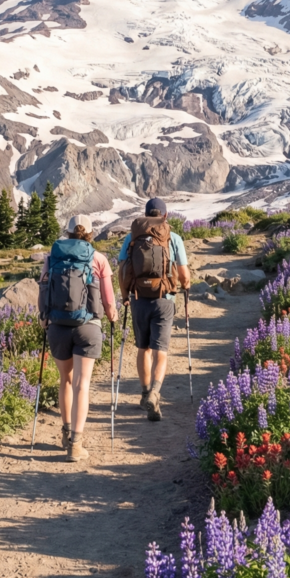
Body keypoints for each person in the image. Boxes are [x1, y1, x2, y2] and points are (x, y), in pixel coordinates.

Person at [38, 214, 117, 463]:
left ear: (68, 233)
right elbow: (108, 300)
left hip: (58, 326)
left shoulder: (52, 257)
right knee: (83, 384)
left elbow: (43, 288)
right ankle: (76, 443)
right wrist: (112, 316)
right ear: (90, 233)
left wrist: (43, 317)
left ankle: (64, 432)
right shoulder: (99, 259)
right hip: (88, 327)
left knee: (66, 381)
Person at [117, 197, 190, 421]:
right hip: (164, 299)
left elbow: (121, 270)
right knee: (161, 351)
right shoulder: (173, 237)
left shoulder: (132, 238)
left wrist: (125, 295)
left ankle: (144, 392)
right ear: (165, 216)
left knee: (143, 348)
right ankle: (155, 393)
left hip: (139, 298)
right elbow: (184, 275)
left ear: (146, 214)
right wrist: (186, 285)